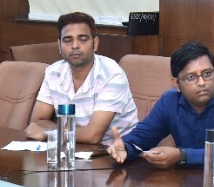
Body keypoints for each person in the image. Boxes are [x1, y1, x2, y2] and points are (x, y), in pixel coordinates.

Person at [107, 41, 214, 174]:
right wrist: (126, 148)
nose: (202, 82)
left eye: (207, 73)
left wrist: (182, 155)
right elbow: (143, 137)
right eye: (191, 77)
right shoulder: (169, 102)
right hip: (192, 183)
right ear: (176, 83)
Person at [26, 11, 138, 145]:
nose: (75, 46)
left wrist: (49, 133)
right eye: (68, 40)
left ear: (95, 44)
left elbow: (93, 135)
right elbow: (37, 121)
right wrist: (69, 133)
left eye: (83, 39)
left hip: (114, 153)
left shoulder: (112, 75)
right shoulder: (53, 72)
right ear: (59, 46)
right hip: (72, 149)